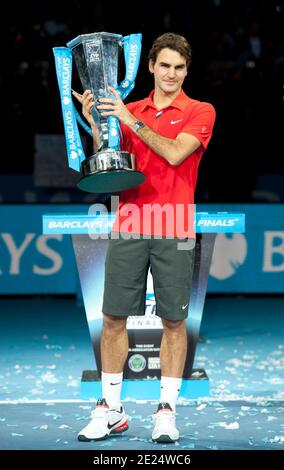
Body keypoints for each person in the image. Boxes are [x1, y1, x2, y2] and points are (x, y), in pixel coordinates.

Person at [73, 32, 216, 443]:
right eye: (165, 65)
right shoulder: (127, 108)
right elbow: (109, 161)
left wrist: (127, 118)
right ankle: (111, 410)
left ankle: (166, 411)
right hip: (129, 223)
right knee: (114, 319)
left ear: (186, 71)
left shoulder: (200, 110)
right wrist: (97, 125)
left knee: (174, 321)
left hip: (175, 227)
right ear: (151, 66)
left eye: (179, 67)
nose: (171, 74)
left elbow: (174, 154)